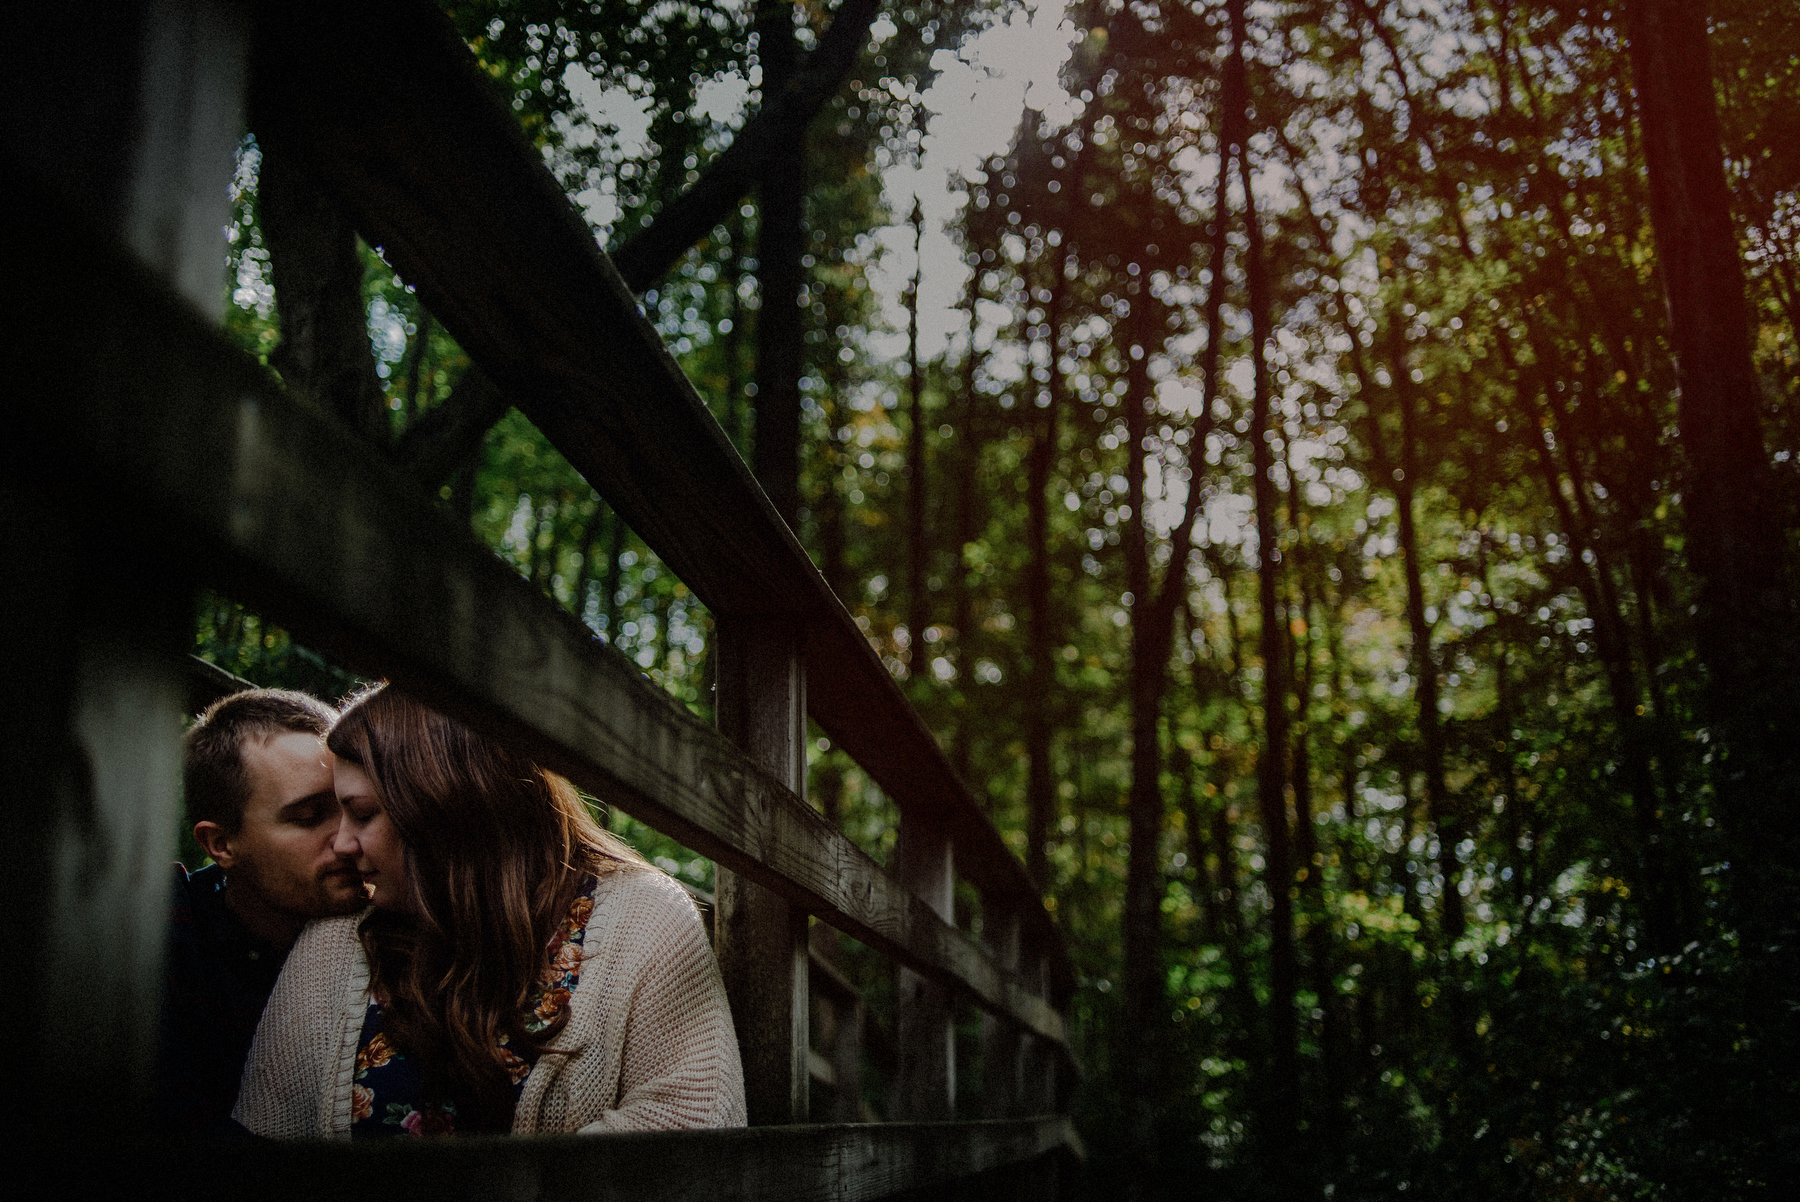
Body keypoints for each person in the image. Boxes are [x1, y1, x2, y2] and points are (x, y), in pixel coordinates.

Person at [233, 684, 745, 1137]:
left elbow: (697, 1125)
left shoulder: (645, 917)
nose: (341, 843)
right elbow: (262, 1143)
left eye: (362, 814)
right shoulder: (338, 937)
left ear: (445, 809)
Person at [158, 688, 367, 1134]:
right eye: (310, 816)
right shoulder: (161, 941)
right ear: (221, 844)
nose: (349, 839)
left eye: (357, 808)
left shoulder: (406, 915)